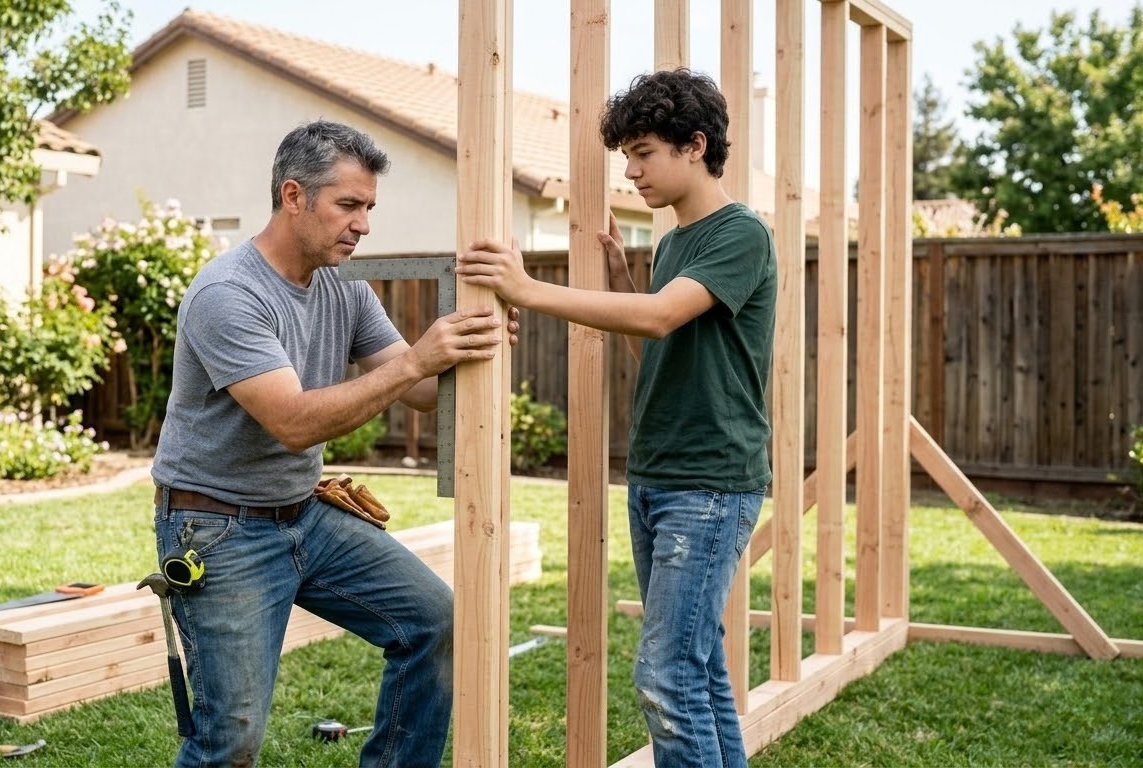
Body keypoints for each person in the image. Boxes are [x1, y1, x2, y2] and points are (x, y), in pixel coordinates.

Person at [152, 119, 518, 768]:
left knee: (438, 624)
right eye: (349, 205)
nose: (364, 224)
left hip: (306, 513)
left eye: (369, 207)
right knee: (228, 743)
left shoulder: (344, 284)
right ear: (294, 197)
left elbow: (421, 390)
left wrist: (471, 346)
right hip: (219, 528)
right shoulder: (228, 294)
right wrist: (416, 364)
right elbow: (292, 421)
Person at [456, 68, 775, 768]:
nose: (630, 172)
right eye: (625, 156)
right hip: (661, 474)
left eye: (643, 152)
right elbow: (666, 338)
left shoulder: (742, 232)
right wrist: (626, 279)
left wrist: (528, 289)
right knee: (698, 669)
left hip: (711, 481)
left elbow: (663, 320)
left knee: (665, 677)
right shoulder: (672, 246)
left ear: (695, 146)